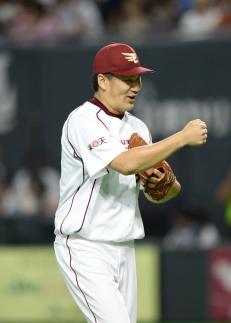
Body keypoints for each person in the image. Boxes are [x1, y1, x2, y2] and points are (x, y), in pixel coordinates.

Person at [53, 42, 207, 323]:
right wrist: (181, 138)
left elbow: (160, 193)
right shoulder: (83, 120)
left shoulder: (138, 127)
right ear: (102, 80)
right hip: (85, 246)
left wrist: (165, 184)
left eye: (137, 78)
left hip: (124, 246)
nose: (135, 86)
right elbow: (124, 164)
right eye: (126, 78)